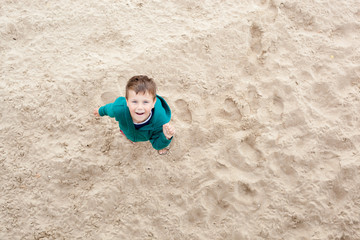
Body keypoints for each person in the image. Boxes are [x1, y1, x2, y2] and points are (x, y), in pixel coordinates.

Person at [94, 75, 175, 155]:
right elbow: (109, 109)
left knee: (162, 143)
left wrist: (166, 137)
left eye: (145, 102)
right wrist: (100, 111)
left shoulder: (160, 122)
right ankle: (130, 137)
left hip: (147, 135)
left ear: (153, 103)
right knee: (125, 133)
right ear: (127, 102)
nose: (139, 107)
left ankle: (164, 143)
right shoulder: (119, 108)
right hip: (126, 129)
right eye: (134, 102)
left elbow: (156, 145)